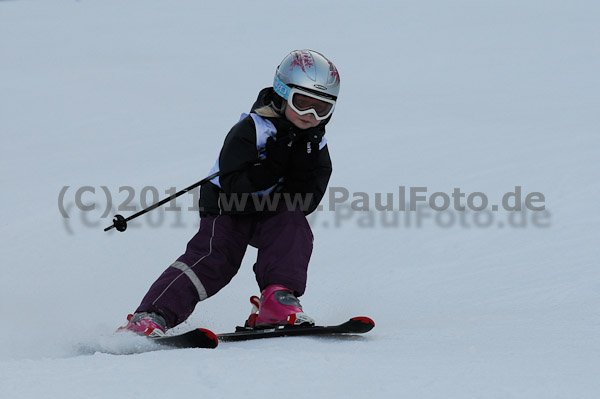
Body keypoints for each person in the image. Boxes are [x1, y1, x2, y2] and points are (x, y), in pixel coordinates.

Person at [119, 49, 340, 337]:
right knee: (217, 258)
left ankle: (278, 301)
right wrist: (273, 165)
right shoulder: (253, 129)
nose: (310, 116)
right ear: (283, 92)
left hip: (270, 209)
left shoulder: (315, 144)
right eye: (302, 104)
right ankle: (150, 316)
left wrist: (298, 170)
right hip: (228, 206)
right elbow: (234, 184)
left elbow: (308, 199)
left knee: (293, 225)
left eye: (321, 109)